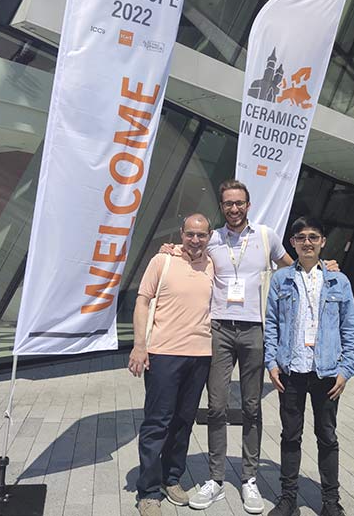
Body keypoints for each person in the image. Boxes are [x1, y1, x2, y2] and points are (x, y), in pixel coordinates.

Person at [188, 180, 337, 514]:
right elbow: (189, 252)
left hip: (256, 331)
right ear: (222, 206)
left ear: (248, 205)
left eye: (239, 203)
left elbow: (295, 265)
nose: (234, 208)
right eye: (228, 203)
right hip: (220, 330)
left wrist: (325, 267)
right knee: (216, 406)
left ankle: (249, 478)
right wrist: (170, 250)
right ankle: (214, 478)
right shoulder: (211, 239)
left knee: (253, 407)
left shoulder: (266, 236)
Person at [264, 216, 354, 516]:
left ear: (322, 242)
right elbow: (271, 326)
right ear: (292, 242)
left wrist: (346, 369)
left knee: (327, 437)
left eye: (313, 237)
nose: (307, 242)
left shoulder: (338, 280)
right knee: (290, 436)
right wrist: (271, 363)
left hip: (327, 372)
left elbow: (350, 328)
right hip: (291, 371)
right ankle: (288, 498)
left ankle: (331, 501)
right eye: (301, 237)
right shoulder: (281, 279)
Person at [130, 214, 215, 516]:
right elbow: (142, 302)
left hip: (201, 356)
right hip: (163, 354)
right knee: (157, 423)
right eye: (190, 234)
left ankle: (172, 478)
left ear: (209, 236)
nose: (195, 240)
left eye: (201, 235)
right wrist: (140, 345)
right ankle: (149, 492)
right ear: (181, 234)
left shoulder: (213, 264)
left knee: (183, 423)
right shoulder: (161, 261)